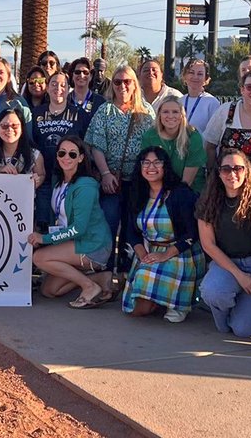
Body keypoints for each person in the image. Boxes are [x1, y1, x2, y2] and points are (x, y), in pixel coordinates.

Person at [197, 149, 251, 337]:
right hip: (227, 263)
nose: (232, 174)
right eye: (226, 169)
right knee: (214, 295)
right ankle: (235, 308)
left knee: (243, 330)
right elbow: (208, 244)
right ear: (219, 173)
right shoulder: (207, 202)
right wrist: (239, 275)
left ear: (247, 171)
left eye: (238, 168)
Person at [86, 64, 156, 277]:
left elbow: (154, 146)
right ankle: (105, 273)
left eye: (127, 81)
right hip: (112, 180)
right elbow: (96, 145)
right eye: (117, 82)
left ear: (134, 84)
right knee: (108, 224)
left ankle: (128, 275)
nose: (122, 86)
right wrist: (105, 174)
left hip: (138, 181)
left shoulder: (146, 112)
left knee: (132, 228)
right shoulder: (105, 111)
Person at [28, 135, 114, 307]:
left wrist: (44, 239)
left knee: (39, 258)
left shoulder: (86, 186)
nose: (66, 158)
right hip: (72, 241)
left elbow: (78, 228)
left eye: (72, 154)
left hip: (92, 244)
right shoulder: (59, 181)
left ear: (81, 158)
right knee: (49, 290)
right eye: (62, 153)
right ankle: (99, 278)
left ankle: (89, 286)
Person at [121, 147, 200, 322]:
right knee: (136, 309)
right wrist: (143, 255)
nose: (151, 167)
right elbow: (131, 231)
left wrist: (165, 255)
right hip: (149, 251)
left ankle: (176, 303)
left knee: (148, 304)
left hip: (179, 252)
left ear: (165, 166)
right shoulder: (137, 193)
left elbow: (192, 233)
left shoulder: (180, 193)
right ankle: (162, 298)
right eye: (146, 162)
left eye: (157, 162)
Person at [31, 72, 84, 229]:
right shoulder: (36, 113)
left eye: (63, 85)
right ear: (47, 88)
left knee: (67, 223)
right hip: (44, 177)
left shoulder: (78, 114)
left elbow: (85, 146)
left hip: (69, 179)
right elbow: (30, 143)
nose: (58, 88)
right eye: (54, 84)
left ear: (68, 89)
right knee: (43, 223)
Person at [141, 95, 205, 189]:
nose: (170, 116)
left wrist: (170, 196)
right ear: (159, 115)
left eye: (175, 112)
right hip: (157, 188)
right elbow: (147, 170)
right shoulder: (150, 136)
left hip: (189, 190)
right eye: (165, 112)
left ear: (182, 115)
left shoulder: (193, 137)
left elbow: (187, 182)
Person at [0, 108, 45, 185]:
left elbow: (41, 175)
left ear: (22, 128)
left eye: (15, 126)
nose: (9, 129)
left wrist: (37, 180)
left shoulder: (34, 155)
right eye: (4, 126)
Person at [180, 58, 220, 136]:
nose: (195, 77)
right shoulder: (179, 101)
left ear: (206, 79)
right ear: (185, 76)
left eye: (200, 74)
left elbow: (215, 133)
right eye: (191, 72)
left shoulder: (212, 102)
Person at [66, 56, 105, 136]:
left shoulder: (100, 102)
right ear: (72, 75)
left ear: (91, 76)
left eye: (85, 72)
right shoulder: (65, 101)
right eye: (77, 72)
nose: (81, 75)